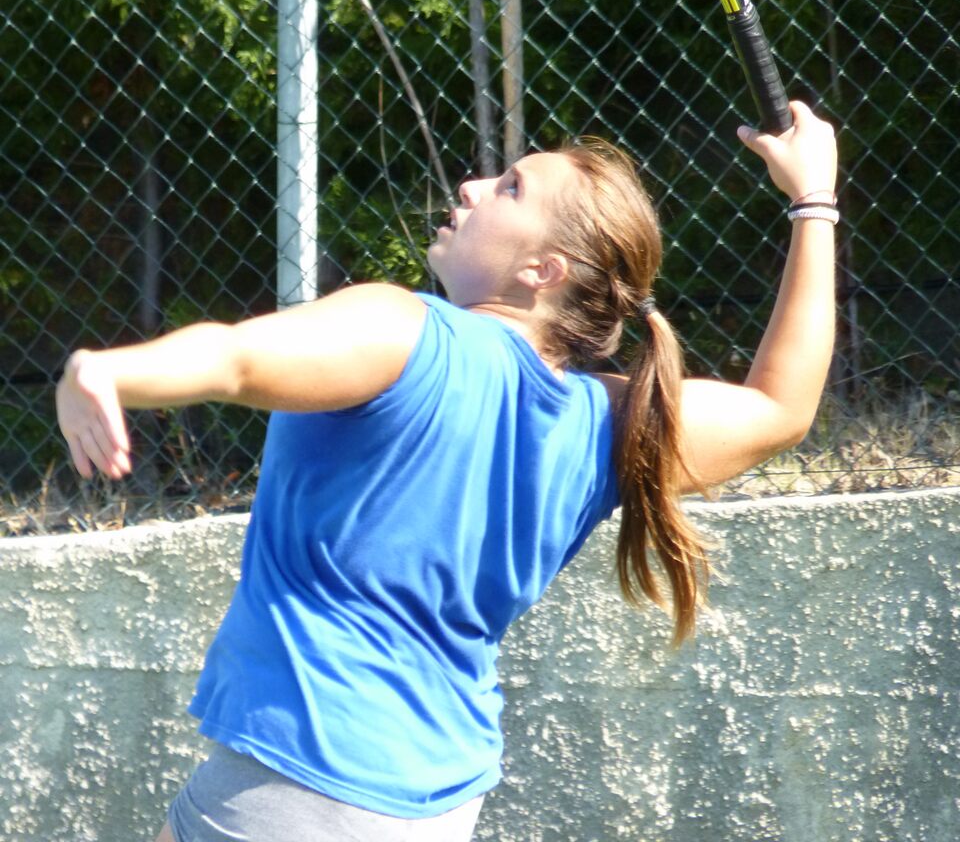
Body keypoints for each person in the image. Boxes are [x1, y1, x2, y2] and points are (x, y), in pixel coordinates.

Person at [56, 101, 837, 842]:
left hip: (297, 782)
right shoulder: (611, 423)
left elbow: (235, 359)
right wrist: (814, 201)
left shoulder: (404, 331)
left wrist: (107, 370)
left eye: (511, 187)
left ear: (545, 269)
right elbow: (781, 408)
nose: (472, 186)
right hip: (436, 804)